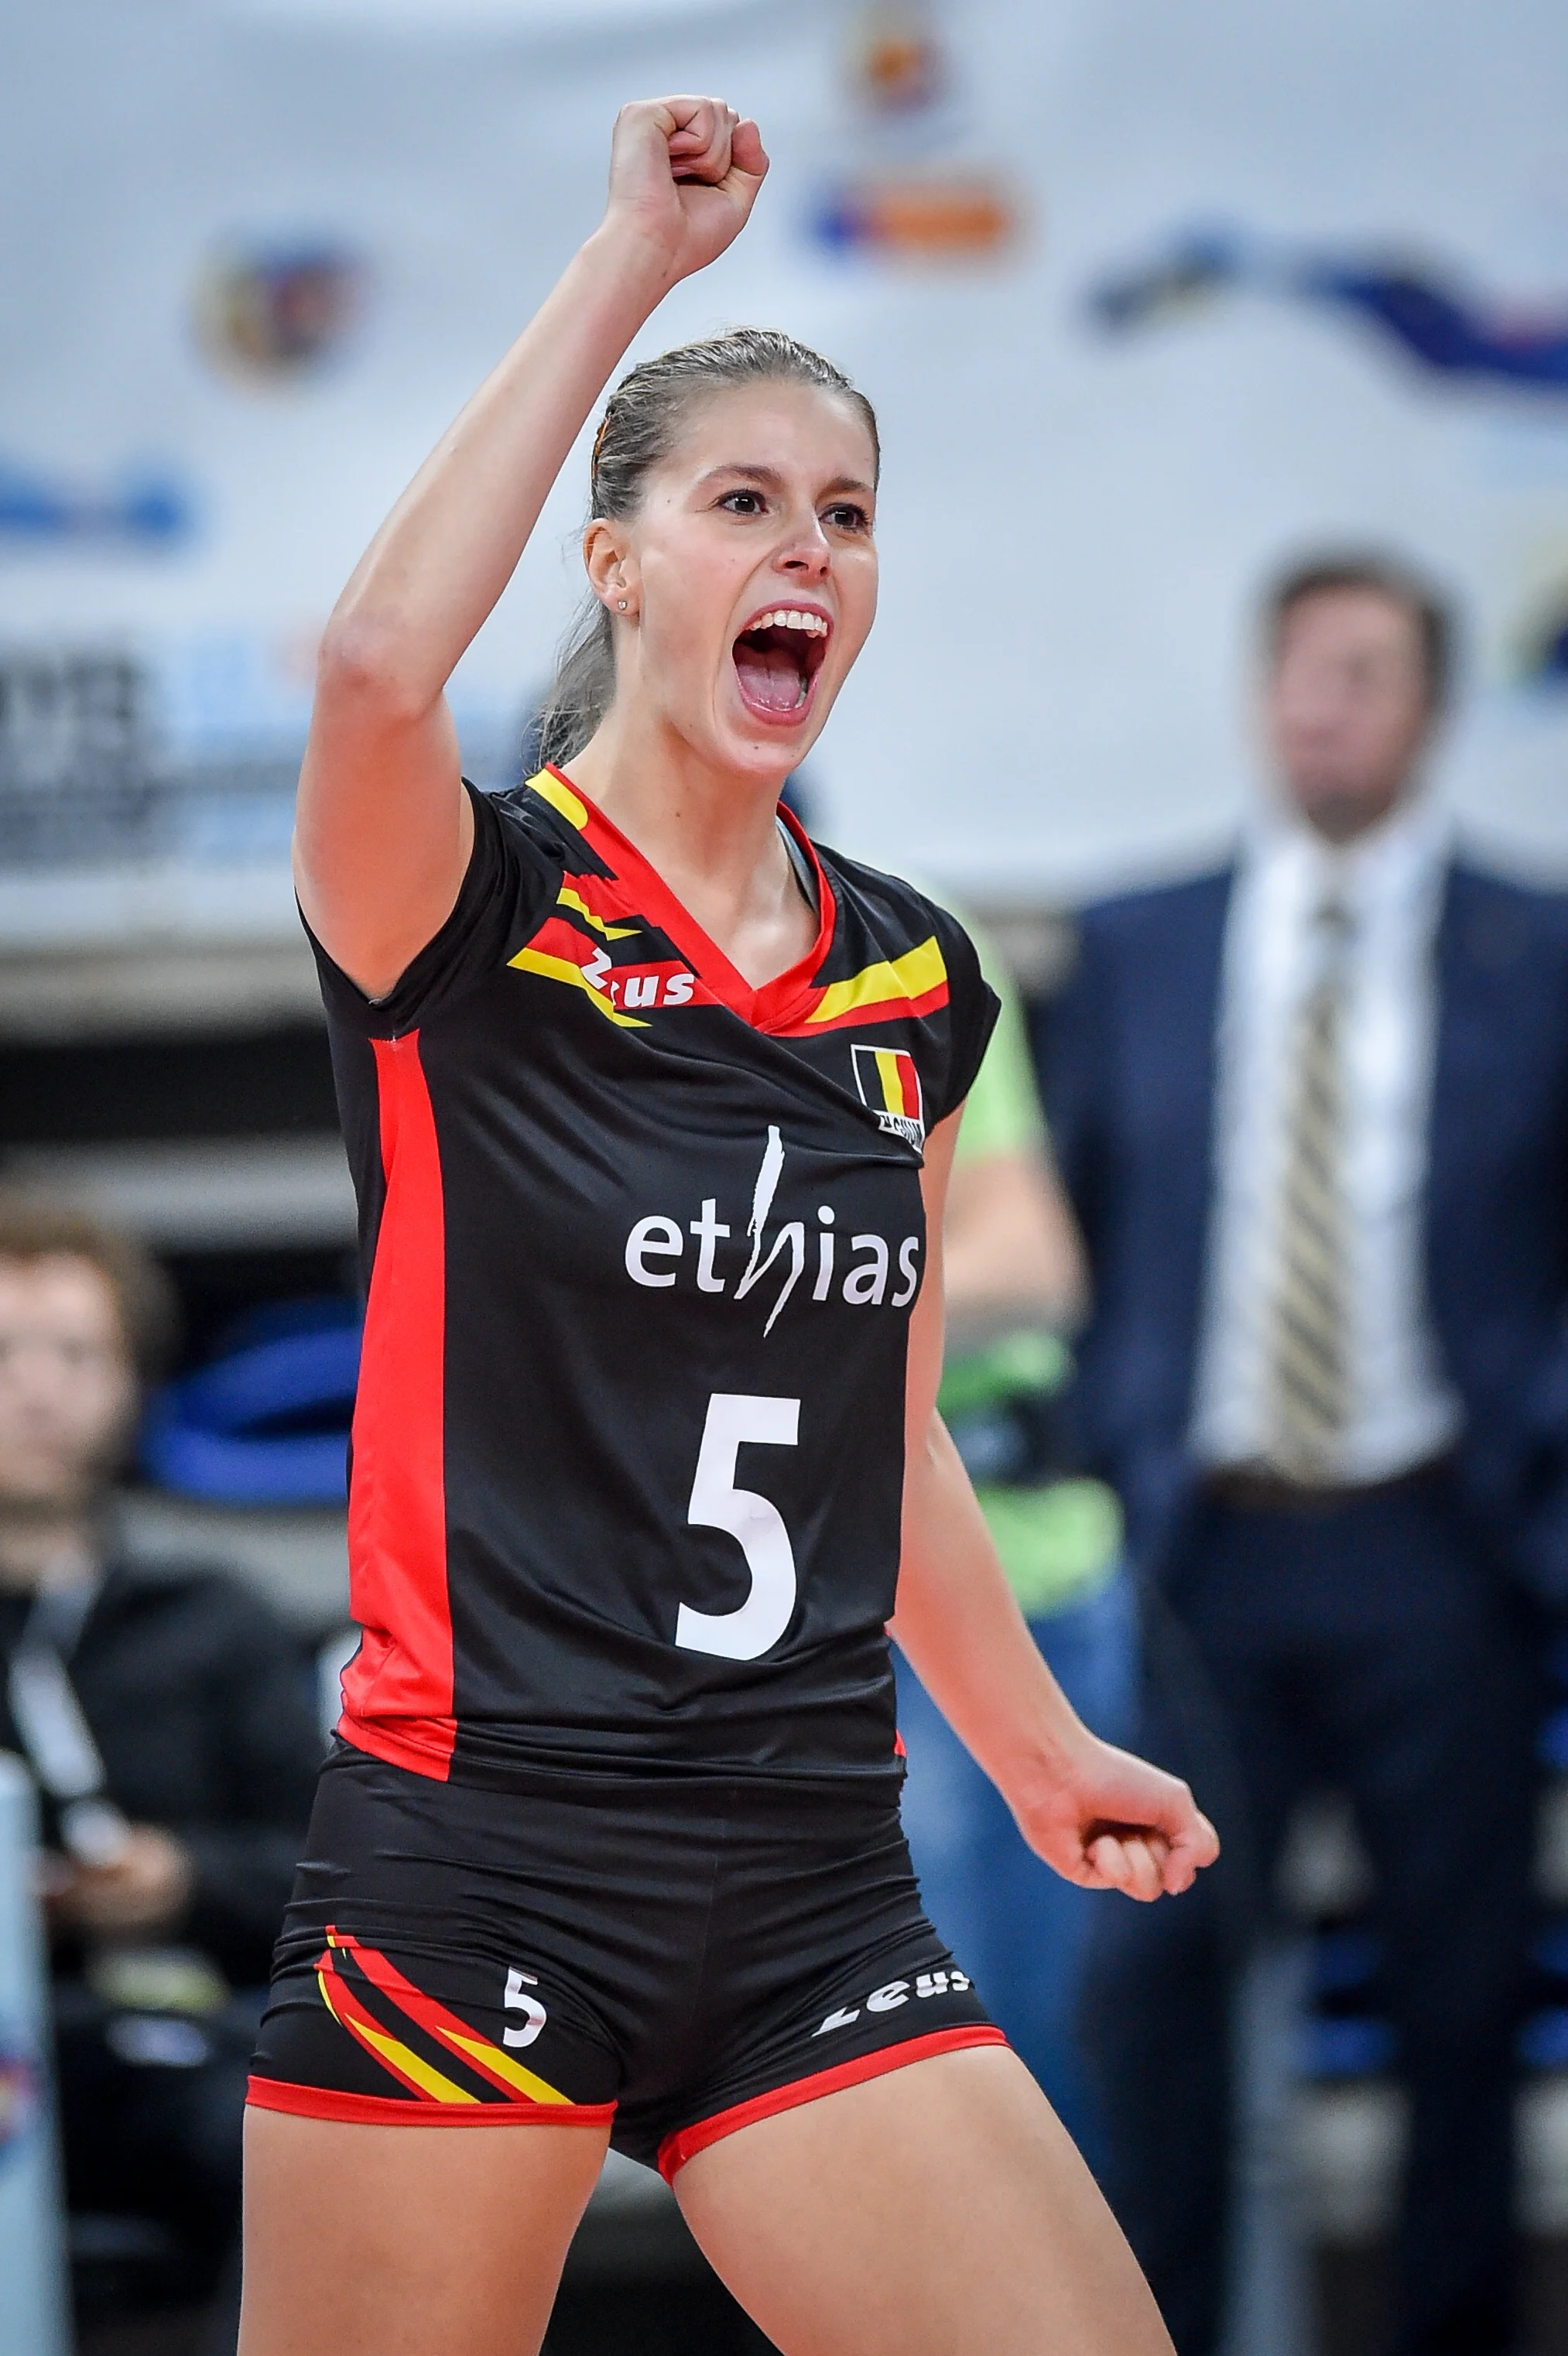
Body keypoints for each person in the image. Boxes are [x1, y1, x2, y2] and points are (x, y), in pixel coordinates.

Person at [241, 94, 1217, 2356]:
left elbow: (883, 1433)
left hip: (803, 1869)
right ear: (618, 564)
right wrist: (629, 272)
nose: (809, 549)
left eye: (849, 515)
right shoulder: (469, 905)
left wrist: (1038, 1743)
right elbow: (374, 673)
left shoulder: (912, 980)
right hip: (480, 1846)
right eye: (744, 502)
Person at [1040, 552, 1568, 2356]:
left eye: (1361, 670)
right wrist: (1112, 1445)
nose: (1321, 703)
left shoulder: (1533, 942)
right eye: (1295, 669)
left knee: (1458, 2003)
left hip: (1448, 1546)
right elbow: (1078, 1230)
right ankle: (1161, 2332)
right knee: (1164, 1982)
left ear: (1427, 706)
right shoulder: (1137, 943)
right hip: (1208, 1556)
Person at [0, 1194, 323, 2288]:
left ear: (134, 1381)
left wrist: (180, 1881)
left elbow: (327, 1876)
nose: (39, 1391)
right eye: (5, 1353)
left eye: (78, 1354)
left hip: (167, 2043)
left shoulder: (213, 1619)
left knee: (302, 2155)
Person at [895, 945, 1135, 2169]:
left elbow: (1031, 1259)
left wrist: (785, 1278)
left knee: (1015, 2053)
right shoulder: (556, 985)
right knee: (870, 2080)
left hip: (1015, 1560)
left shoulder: (893, 940)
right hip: (772, 1601)